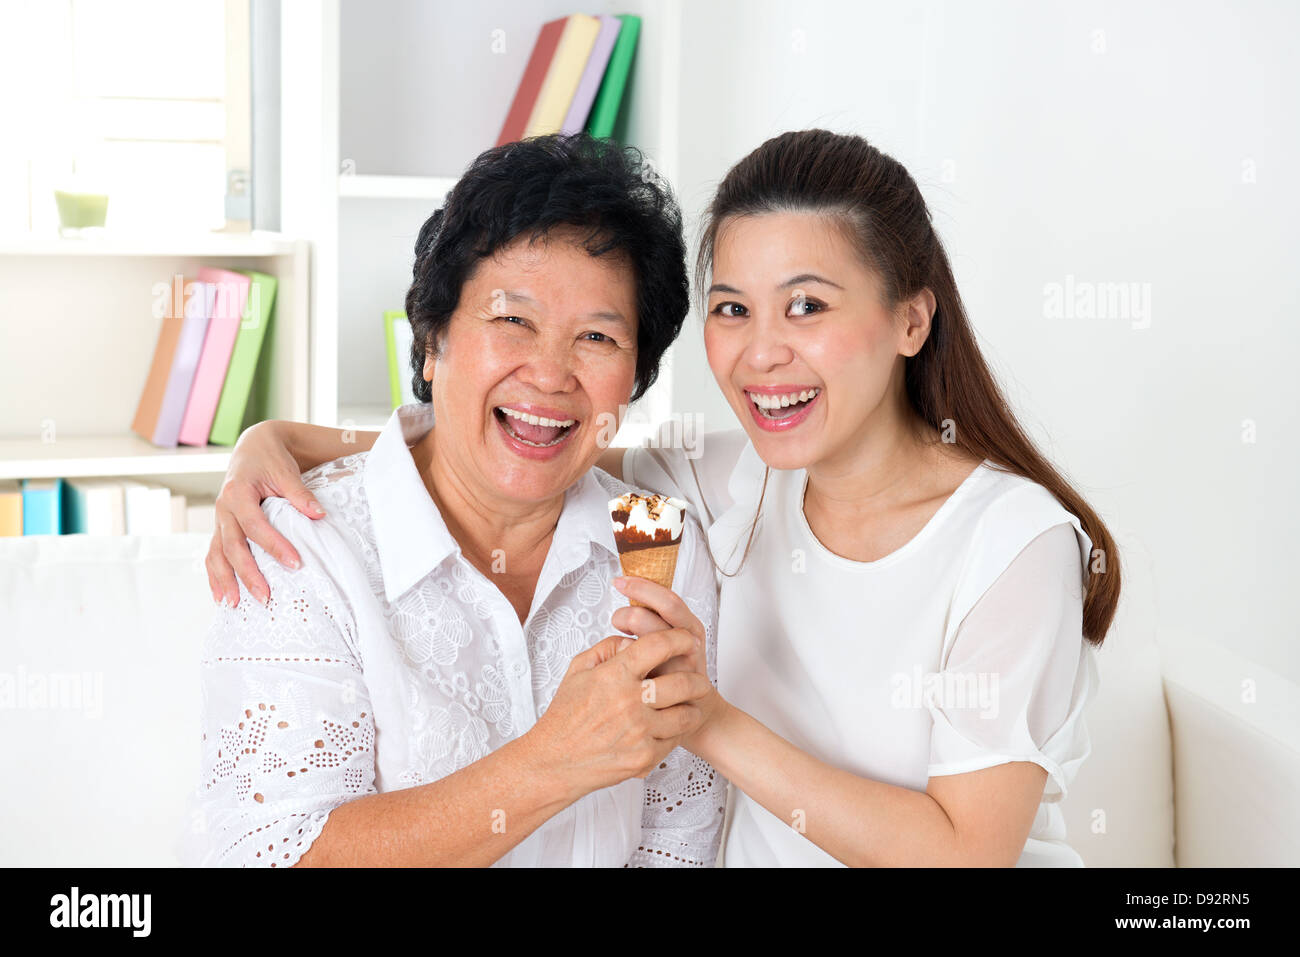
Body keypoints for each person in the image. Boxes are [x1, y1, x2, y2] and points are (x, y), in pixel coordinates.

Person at [207, 130, 1120, 867]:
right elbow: (532, 439)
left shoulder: (1011, 542)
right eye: (732, 309)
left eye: (807, 306)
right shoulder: (722, 481)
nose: (763, 352)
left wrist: (707, 719)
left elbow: (964, 857)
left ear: (912, 320)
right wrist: (278, 441)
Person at [182, 133, 727, 868]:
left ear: (632, 380)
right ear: (432, 340)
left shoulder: (659, 541)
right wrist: (554, 758)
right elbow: (273, 853)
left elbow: (678, 837)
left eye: (597, 336)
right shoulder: (301, 545)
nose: (550, 373)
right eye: (513, 321)